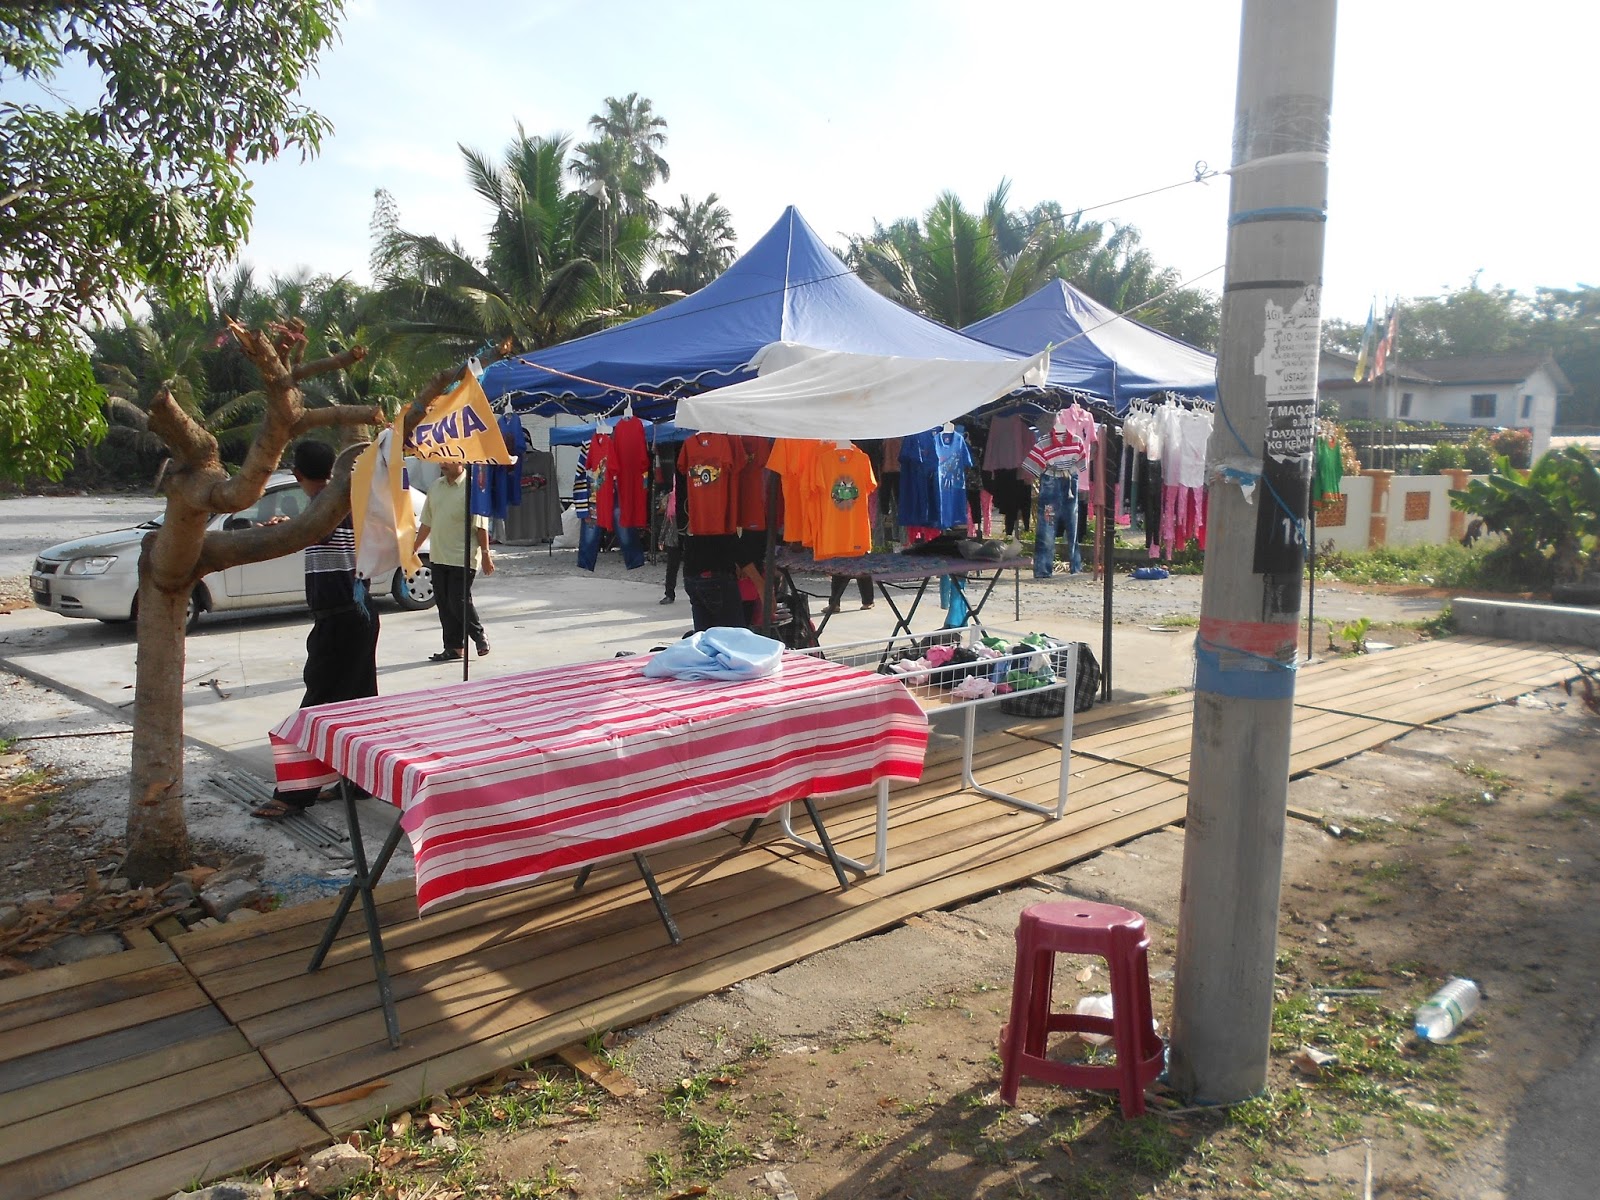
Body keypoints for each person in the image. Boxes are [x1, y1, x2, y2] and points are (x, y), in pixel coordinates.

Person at [252, 439, 380, 820]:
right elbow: (311, 531)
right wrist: (291, 526)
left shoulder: (327, 505)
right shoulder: (340, 501)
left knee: (316, 708)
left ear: (297, 475)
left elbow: (313, 529)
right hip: (356, 615)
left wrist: (286, 528)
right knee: (357, 705)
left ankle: (294, 795)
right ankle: (358, 781)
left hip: (341, 618)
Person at [416, 461, 494, 662]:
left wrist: (486, 554)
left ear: (460, 460)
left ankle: (479, 636)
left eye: (448, 459)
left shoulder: (472, 488)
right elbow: (427, 522)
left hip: (463, 556)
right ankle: (454, 647)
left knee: (458, 601)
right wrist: (413, 548)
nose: (442, 464)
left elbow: (481, 526)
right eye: (440, 459)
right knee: (444, 604)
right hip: (439, 555)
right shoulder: (436, 487)